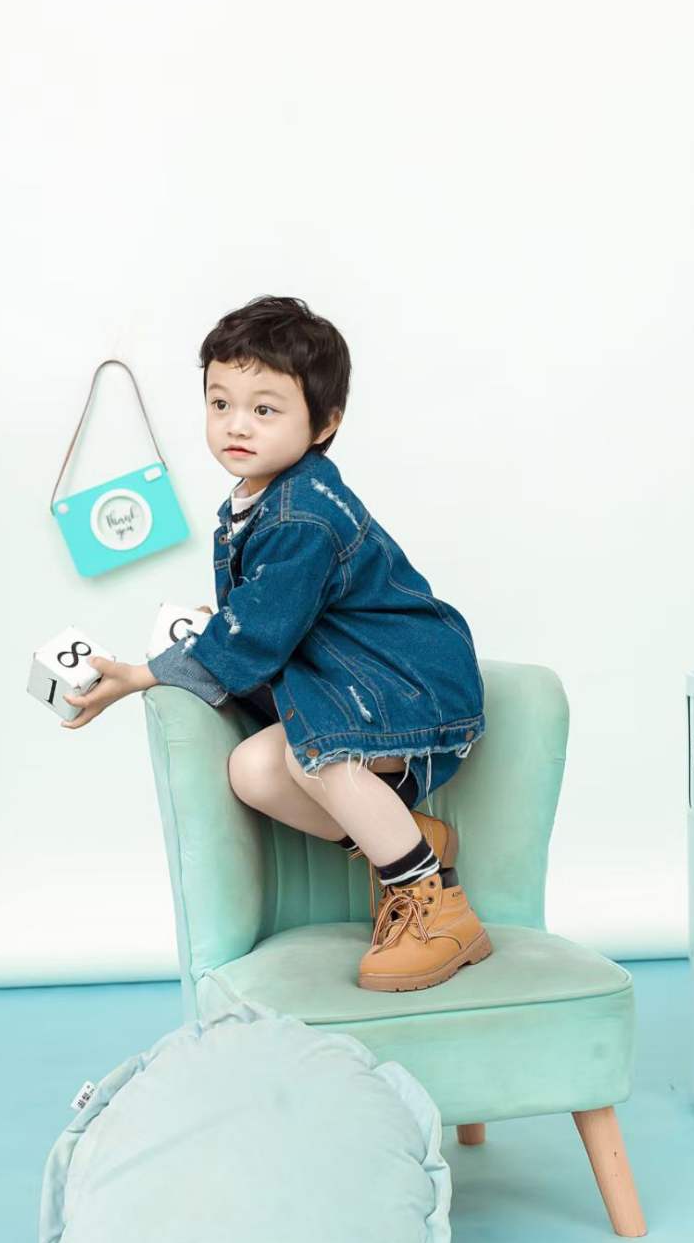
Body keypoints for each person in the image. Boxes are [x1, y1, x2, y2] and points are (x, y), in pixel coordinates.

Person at [61, 294, 492, 991]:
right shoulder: (261, 496)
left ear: (324, 424)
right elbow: (269, 613)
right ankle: (412, 841)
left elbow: (257, 638)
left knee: (314, 751)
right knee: (253, 772)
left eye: (265, 409)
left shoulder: (301, 516)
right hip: (354, 682)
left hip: (405, 684)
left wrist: (142, 673)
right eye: (220, 403)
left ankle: (436, 908)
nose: (237, 424)